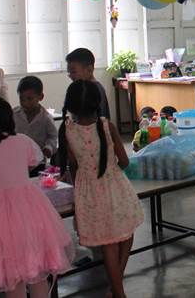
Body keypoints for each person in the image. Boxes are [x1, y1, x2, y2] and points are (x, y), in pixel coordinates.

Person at [0, 96, 71, 298]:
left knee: (11, 276)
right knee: (36, 271)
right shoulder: (23, 141)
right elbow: (29, 164)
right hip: (28, 213)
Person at [58, 80, 143, 298]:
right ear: (98, 103)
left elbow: (72, 166)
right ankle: (118, 291)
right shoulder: (107, 126)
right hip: (115, 186)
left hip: (87, 192)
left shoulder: (67, 131)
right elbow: (125, 161)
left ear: (70, 105)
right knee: (126, 234)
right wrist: (111, 169)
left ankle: (116, 289)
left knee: (108, 244)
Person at [13, 76, 58, 163]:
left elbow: (53, 137)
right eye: (21, 99)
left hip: (38, 161)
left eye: (30, 99)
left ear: (41, 97)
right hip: (17, 158)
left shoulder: (46, 118)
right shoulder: (13, 114)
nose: (25, 103)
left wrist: (48, 148)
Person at [66, 48, 110, 120]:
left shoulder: (96, 89)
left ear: (89, 69)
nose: (70, 76)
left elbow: (100, 118)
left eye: (73, 72)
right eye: (69, 72)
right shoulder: (79, 89)